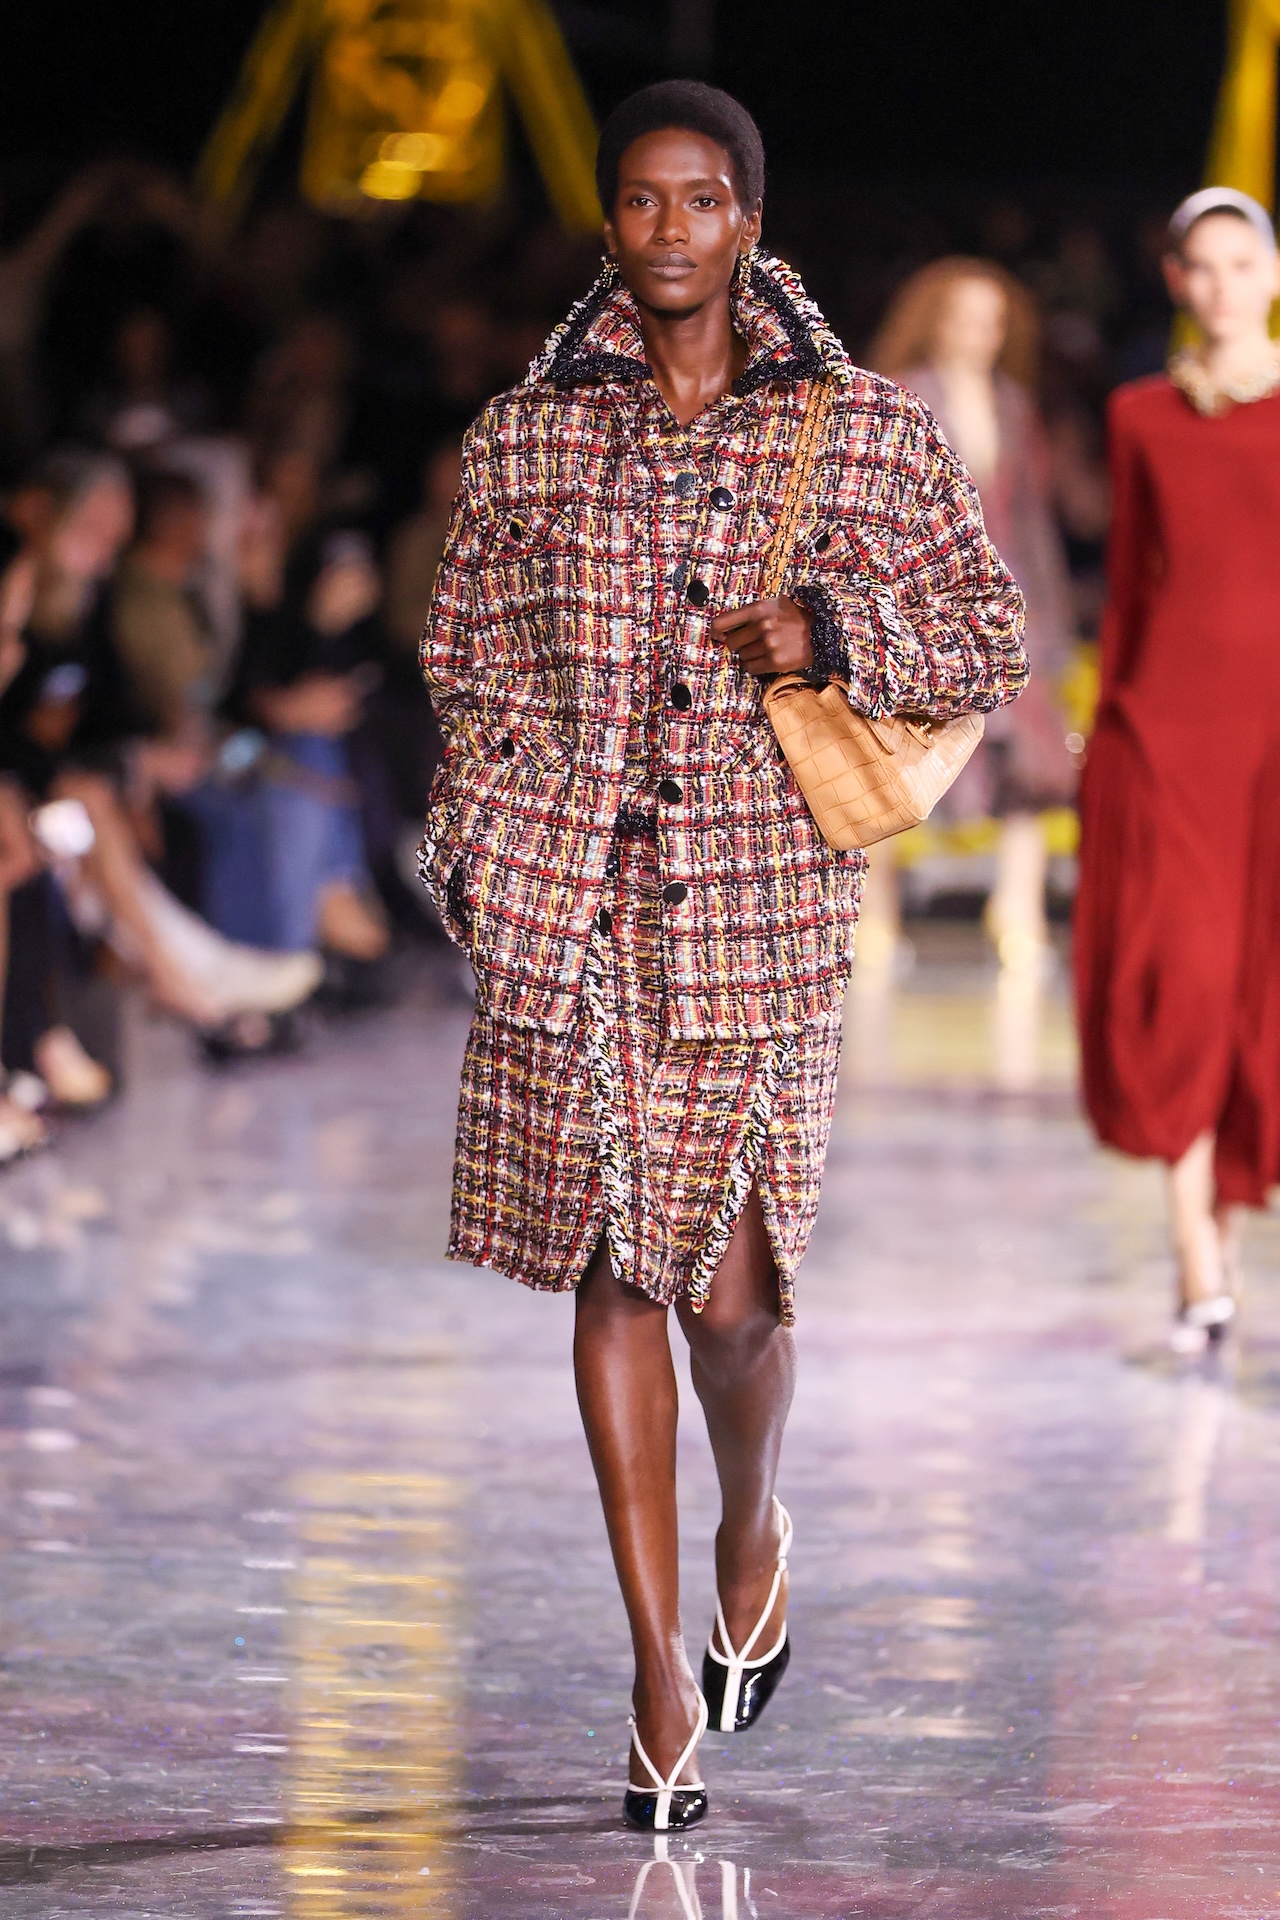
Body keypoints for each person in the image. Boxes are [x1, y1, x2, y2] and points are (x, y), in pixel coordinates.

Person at [419, 81, 1027, 1830]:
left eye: (702, 201)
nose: (671, 228)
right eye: (641, 200)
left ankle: (754, 1520)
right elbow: (463, 654)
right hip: (572, 911)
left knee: (733, 1304)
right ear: (609, 224)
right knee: (615, 1269)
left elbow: (989, 631)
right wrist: (489, 829)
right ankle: (656, 1671)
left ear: (748, 222)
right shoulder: (528, 435)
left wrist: (834, 621)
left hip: (755, 916)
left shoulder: (854, 427)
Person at [1074, 187, 1280, 1353]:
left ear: (1265, 274)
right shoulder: (1140, 414)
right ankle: (1194, 1253)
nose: (1217, 284)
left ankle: (1225, 1239)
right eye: (1195, 266)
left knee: (1258, 994)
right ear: (1174, 282)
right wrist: (1106, 733)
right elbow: (1129, 593)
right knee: (1188, 980)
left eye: (1236, 262)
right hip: (1170, 732)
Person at [869, 259, 1076, 968]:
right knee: (898, 762)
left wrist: (1045, 625)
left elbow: (1031, 520)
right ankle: (877, 919)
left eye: (992, 322)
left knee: (1030, 768)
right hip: (925, 610)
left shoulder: (1012, 403)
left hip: (1007, 608)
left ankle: (1015, 915)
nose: (978, 336)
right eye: (964, 318)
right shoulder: (900, 399)